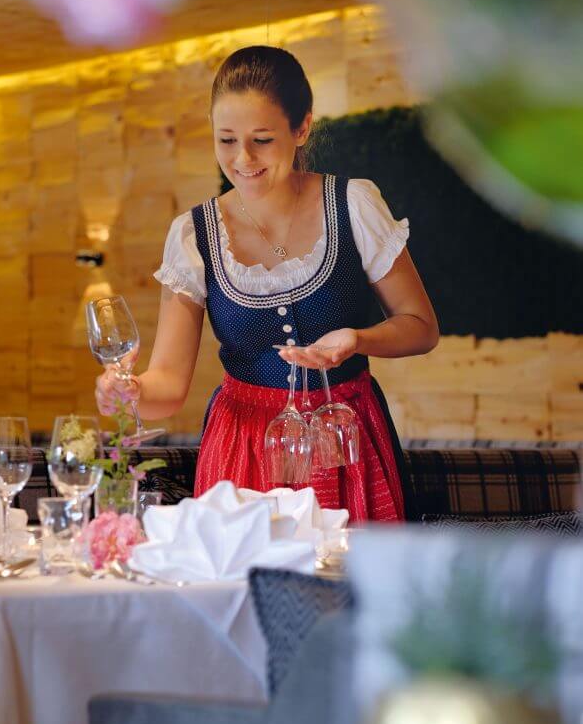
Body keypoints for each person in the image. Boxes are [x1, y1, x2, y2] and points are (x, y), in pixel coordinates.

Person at [96, 46, 439, 521]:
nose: (243, 159)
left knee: (351, 588)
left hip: (346, 445)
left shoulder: (353, 203)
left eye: (261, 139)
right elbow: (169, 386)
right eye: (226, 140)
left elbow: (422, 327)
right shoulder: (193, 235)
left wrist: (360, 339)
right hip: (241, 454)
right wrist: (130, 390)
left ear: (301, 129)